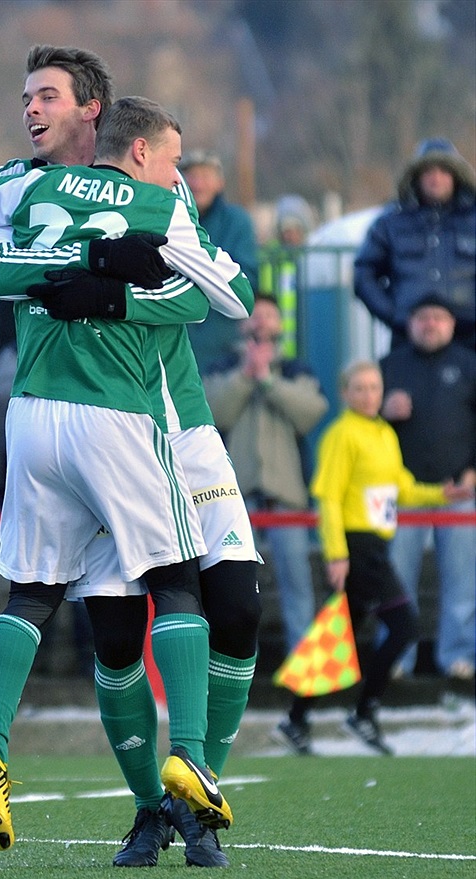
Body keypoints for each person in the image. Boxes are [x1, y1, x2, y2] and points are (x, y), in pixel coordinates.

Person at [0, 91, 257, 859]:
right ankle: (157, 803)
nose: (31, 111)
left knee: (236, 604)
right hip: (119, 426)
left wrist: (109, 291)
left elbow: (203, 292)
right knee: (120, 630)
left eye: (46, 96)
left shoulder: (151, 194)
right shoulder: (37, 180)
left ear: (94, 115)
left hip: (177, 427)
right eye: (24, 98)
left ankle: (193, 774)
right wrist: (88, 258)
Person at [276, 361, 472, 756]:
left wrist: (441, 495)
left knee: (338, 634)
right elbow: (328, 497)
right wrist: (336, 555)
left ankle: (297, 718)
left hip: (376, 546)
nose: (369, 395)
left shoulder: (383, 432)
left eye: (375, 388)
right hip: (358, 547)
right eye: (360, 389)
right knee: (403, 626)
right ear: (345, 394)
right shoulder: (340, 435)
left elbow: (400, 487)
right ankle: (363, 711)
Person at [204, 293, 328, 652]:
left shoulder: (295, 369)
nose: (261, 322)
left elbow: (311, 412)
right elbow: (215, 413)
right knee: (234, 586)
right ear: (242, 322)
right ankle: (234, 661)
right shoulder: (221, 369)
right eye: (254, 315)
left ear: (280, 325)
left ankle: (301, 671)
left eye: (269, 316)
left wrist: (268, 380)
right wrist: (247, 375)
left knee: (297, 586)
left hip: (286, 497)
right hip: (233, 499)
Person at [379, 297, 476, 680]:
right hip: (402, 496)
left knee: (463, 579)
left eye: (438, 318)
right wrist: (383, 411)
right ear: (410, 323)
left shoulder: (469, 364)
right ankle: (395, 658)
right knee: (397, 580)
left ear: (452, 323)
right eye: (422, 318)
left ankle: (457, 656)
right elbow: (360, 421)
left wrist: (473, 470)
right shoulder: (390, 366)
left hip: (459, 493)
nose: (430, 324)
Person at [354, 138, 475, 352]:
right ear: (416, 177)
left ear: (456, 176)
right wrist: (394, 315)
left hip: (468, 340)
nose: (436, 178)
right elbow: (364, 273)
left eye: (444, 171)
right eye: (428, 172)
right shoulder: (391, 222)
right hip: (409, 342)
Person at [179, 150, 258, 373]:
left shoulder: (237, 221)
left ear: (219, 182)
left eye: (205, 176)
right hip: (179, 337)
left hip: (223, 340)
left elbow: (247, 278)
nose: (197, 184)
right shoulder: (170, 217)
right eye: (191, 176)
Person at [258, 194, 315, 357]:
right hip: (279, 344)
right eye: (286, 230)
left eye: (297, 229)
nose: (291, 235)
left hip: (309, 340)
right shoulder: (269, 260)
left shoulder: (314, 259)